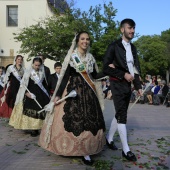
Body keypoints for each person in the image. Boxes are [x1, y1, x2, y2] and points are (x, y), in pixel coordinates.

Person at [38, 31, 106, 165]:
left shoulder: (91, 58)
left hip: (88, 94)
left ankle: (87, 151)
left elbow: (95, 76)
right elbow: (64, 77)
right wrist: (57, 95)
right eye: (82, 39)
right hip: (72, 91)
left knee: (90, 120)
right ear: (77, 41)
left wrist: (109, 70)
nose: (85, 41)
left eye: (87, 39)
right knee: (74, 119)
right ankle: (71, 148)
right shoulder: (72, 57)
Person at [103, 18, 142, 162]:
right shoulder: (113, 46)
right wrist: (122, 74)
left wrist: (138, 86)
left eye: (133, 28)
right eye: (129, 28)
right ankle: (126, 149)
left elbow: (135, 68)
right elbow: (105, 67)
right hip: (117, 84)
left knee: (120, 112)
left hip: (128, 86)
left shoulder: (133, 48)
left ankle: (109, 139)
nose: (132, 31)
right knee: (122, 115)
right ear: (122, 29)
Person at [9, 57, 50, 137]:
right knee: (32, 110)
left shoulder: (42, 72)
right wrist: (27, 93)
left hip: (41, 94)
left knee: (41, 109)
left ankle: (39, 127)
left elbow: (45, 84)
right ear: (33, 64)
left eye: (38, 65)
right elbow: (23, 85)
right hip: (30, 93)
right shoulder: (28, 72)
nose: (37, 67)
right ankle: (33, 129)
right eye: (36, 65)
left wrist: (48, 93)